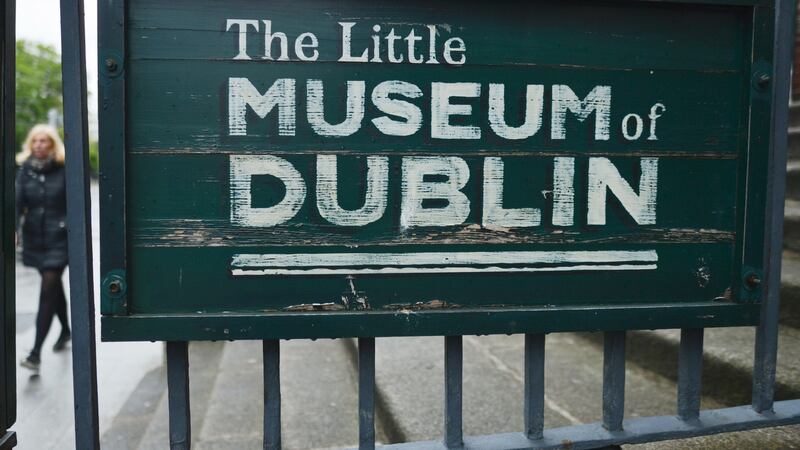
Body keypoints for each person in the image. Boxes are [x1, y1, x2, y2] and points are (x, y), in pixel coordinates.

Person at [16, 124, 70, 371]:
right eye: (35, 141)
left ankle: (36, 353)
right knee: (54, 287)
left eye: (44, 141)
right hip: (35, 239)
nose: (39, 145)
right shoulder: (25, 170)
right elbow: (17, 203)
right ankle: (66, 330)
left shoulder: (64, 168)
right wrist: (14, 229)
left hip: (59, 238)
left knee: (48, 287)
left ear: (52, 144)